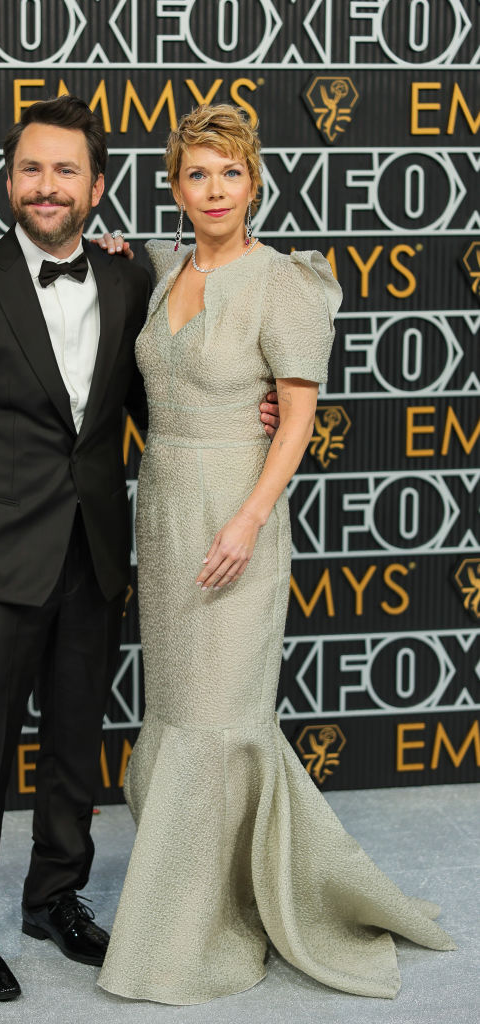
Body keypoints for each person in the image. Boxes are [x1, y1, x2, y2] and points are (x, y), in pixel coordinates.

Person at [0, 94, 280, 1001]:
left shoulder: (128, 281)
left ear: (97, 186)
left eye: (65, 170)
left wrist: (250, 413)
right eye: (31, 169)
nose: (46, 186)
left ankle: (55, 896)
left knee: (78, 737)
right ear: (8, 180)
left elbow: (169, 398)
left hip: (98, 551)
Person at [96, 104, 454, 1005]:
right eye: (195, 174)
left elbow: (294, 421)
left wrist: (250, 518)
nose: (213, 190)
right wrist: (110, 243)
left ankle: (195, 931)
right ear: (174, 187)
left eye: (229, 173)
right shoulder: (162, 265)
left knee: (221, 721)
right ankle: (207, 895)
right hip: (164, 508)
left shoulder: (285, 283)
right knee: (178, 711)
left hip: (235, 516)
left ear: (254, 182)